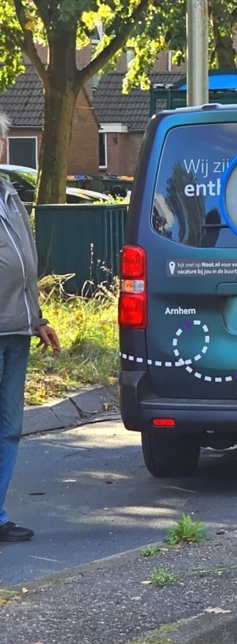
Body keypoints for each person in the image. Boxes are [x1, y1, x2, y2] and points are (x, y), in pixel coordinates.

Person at [0, 113, 61, 542]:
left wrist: (36, 317)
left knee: (9, 428)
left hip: (17, 330)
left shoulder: (10, 196)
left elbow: (23, 265)